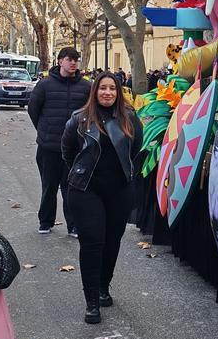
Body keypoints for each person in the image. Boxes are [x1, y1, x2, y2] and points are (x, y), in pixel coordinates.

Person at [62, 73, 144, 324]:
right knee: (92, 243)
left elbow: (136, 148)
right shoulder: (79, 119)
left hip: (119, 190)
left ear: (118, 92)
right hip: (86, 190)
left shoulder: (129, 118)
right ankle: (91, 302)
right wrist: (80, 172)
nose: (107, 93)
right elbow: (67, 152)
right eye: (102, 88)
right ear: (95, 91)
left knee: (112, 241)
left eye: (112, 89)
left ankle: (103, 286)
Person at [28, 47, 90, 235]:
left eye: (76, 60)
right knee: (49, 185)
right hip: (49, 146)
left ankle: (74, 224)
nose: (73, 63)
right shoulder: (44, 85)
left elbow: (91, 111)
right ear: (60, 61)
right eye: (69, 59)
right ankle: (45, 221)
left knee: (72, 187)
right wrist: (44, 130)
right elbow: (33, 110)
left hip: (75, 148)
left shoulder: (86, 86)